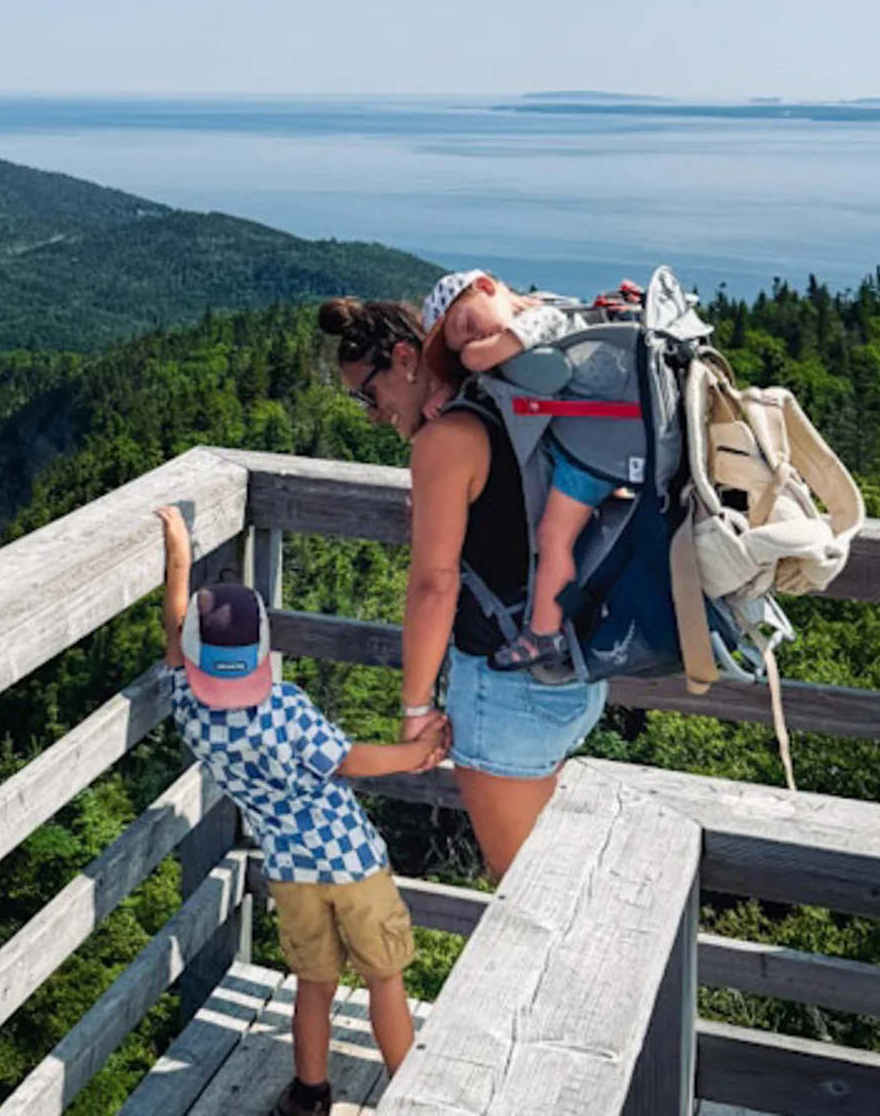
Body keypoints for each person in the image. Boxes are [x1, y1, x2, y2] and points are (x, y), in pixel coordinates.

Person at [156, 504, 447, 1116]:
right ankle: (411, 1095)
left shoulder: (189, 708)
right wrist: (414, 753)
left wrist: (178, 555)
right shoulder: (285, 708)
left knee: (315, 983)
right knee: (384, 979)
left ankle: (310, 1094)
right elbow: (349, 759)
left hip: (289, 871)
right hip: (353, 862)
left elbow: (175, 628)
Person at [318, 296, 608, 880]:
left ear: (405, 359)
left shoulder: (448, 440)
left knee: (526, 890)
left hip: (507, 689)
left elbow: (434, 585)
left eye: (367, 395)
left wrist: (416, 709)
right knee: (549, 877)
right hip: (574, 672)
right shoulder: (506, 408)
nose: (371, 415)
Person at [418, 270, 622, 674]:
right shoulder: (543, 314)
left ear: (486, 287)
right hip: (596, 445)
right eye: (464, 342)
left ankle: (544, 633)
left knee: (554, 536)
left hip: (590, 453)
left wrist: (467, 358)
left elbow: (488, 356)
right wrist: (448, 387)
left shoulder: (543, 317)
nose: (474, 341)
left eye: (468, 325)